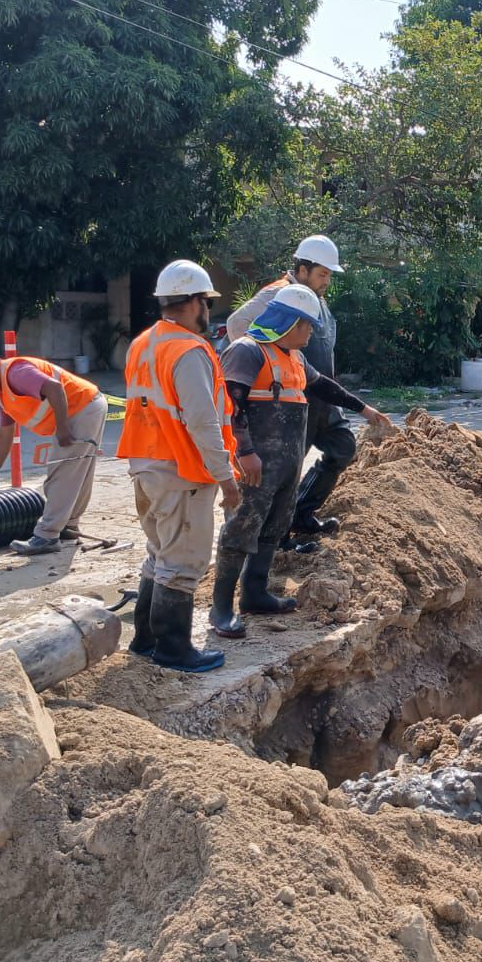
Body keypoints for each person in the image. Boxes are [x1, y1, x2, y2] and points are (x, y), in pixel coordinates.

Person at [209, 283, 390, 638]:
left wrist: (364, 409)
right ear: (288, 323)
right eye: (306, 325)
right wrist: (244, 452)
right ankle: (220, 608)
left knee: (274, 528)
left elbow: (324, 387)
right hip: (255, 466)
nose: (310, 333)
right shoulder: (248, 352)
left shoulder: (294, 358)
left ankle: (255, 593)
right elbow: (230, 407)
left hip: (286, 466)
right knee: (240, 529)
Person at [116, 259, 243, 673]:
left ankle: (146, 640)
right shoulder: (188, 350)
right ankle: (174, 649)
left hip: (145, 465)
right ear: (193, 302)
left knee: (160, 553)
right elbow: (203, 421)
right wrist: (227, 479)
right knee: (183, 560)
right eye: (206, 301)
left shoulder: (144, 343)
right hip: (181, 469)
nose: (208, 310)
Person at [226, 235, 354, 542]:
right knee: (285, 471)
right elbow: (236, 324)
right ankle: (275, 539)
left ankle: (301, 514)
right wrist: (270, 365)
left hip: (319, 395)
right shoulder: (279, 294)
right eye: (322, 274)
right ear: (302, 268)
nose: (326, 281)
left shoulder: (315, 300)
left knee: (343, 447)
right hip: (290, 400)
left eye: (328, 275)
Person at [0, 347, 106, 555]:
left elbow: (54, 388)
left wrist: (62, 427)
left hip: (82, 408)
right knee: (76, 471)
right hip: (83, 407)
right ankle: (68, 526)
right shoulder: (2, 395)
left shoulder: (16, 373)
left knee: (62, 474)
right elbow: (5, 434)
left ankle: (47, 535)